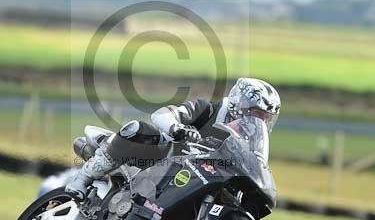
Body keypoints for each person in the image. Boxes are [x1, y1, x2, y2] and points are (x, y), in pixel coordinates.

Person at [65, 77, 281, 201]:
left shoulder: (249, 139)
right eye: (256, 113)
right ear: (239, 104)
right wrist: (178, 129)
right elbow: (161, 115)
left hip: (198, 181)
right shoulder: (206, 109)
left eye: (265, 117)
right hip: (160, 164)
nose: (258, 120)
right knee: (139, 129)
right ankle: (81, 179)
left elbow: (255, 163)